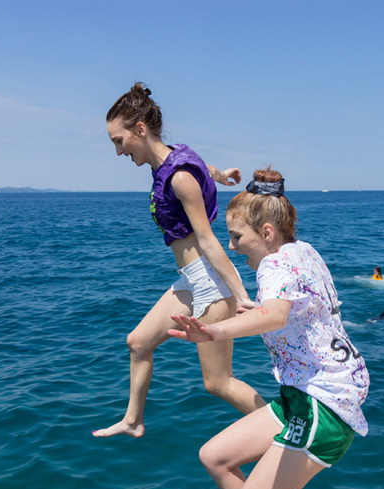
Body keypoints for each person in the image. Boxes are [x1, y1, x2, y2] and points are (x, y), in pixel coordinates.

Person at [168, 169, 384, 489]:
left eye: (237, 237)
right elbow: (303, 309)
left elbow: (277, 314)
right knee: (215, 457)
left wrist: (215, 330)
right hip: (305, 392)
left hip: (324, 402)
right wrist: (261, 312)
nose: (232, 247)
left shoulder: (272, 266)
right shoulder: (303, 250)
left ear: (267, 232)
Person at [94, 83, 265, 438]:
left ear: (140, 130)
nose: (117, 151)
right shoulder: (175, 158)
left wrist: (242, 296)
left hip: (211, 284)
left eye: (118, 141)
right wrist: (222, 175)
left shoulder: (179, 175)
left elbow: (208, 240)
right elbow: (206, 167)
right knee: (138, 342)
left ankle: (289, 426)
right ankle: (133, 420)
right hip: (191, 279)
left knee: (218, 382)